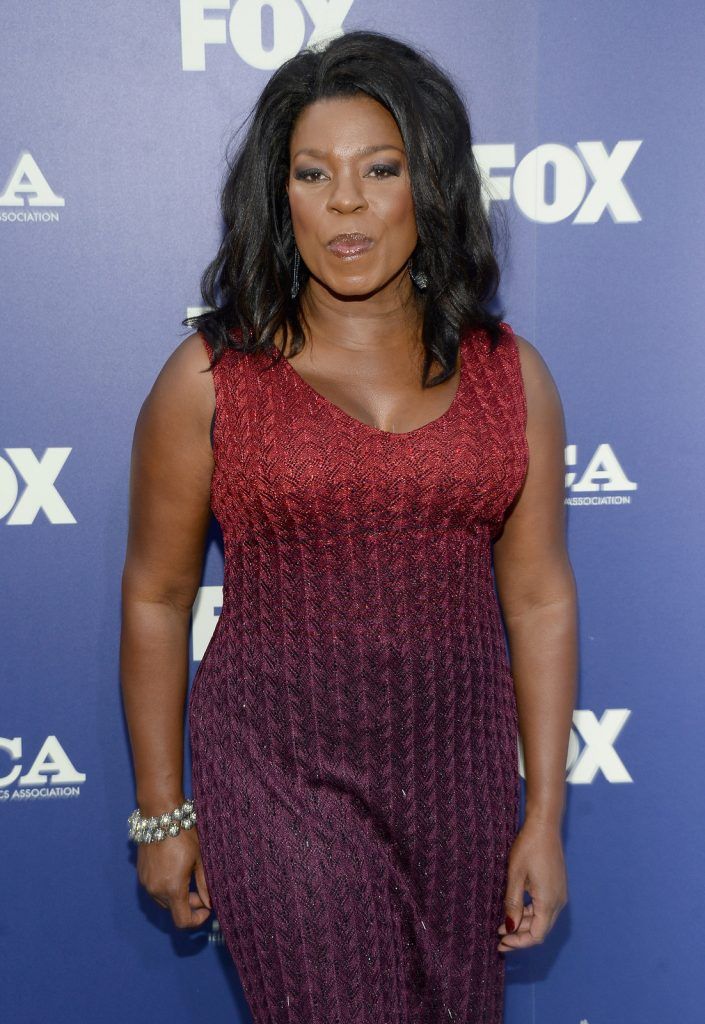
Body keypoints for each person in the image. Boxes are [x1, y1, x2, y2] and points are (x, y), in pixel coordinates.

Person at [120, 28, 577, 1024]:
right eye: (313, 172)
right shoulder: (211, 380)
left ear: (433, 183)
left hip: (458, 782)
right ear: (278, 197)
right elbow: (157, 598)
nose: (348, 203)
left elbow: (539, 596)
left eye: (382, 168)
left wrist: (543, 815)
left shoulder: (513, 376)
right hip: (280, 783)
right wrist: (163, 810)